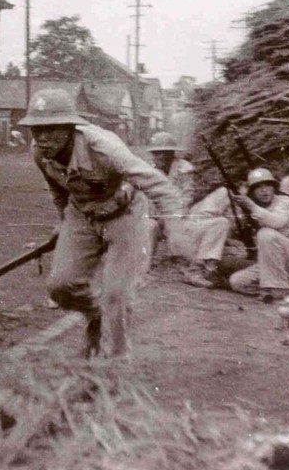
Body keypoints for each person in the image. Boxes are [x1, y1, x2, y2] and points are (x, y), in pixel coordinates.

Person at [19, 89, 183, 359]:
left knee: (116, 294)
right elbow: (58, 191)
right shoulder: (39, 153)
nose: (42, 138)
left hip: (124, 214)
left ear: (70, 128)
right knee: (60, 286)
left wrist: (175, 229)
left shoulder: (103, 147)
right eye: (36, 130)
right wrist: (64, 224)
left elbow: (157, 184)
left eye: (51, 129)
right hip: (82, 213)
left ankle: (117, 361)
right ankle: (94, 314)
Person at [147, 131, 232, 288]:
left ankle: (204, 268)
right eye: (156, 153)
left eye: (163, 154)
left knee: (220, 223)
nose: (159, 158)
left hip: (179, 215)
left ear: (172, 154)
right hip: (157, 218)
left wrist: (173, 214)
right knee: (149, 225)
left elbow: (187, 197)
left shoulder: (184, 170)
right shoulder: (149, 172)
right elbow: (145, 199)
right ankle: (143, 266)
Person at [227, 168, 289, 301]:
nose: (264, 190)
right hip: (276, 264)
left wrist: (250, 205)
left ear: (274, 187)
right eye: (258, 187)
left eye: (267, 185)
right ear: (252, 192)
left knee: (266, 233)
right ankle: (281, 290)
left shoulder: (285, 201)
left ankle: (279, 289)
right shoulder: (256, 210)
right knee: (237, 281)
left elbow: (276, 222)